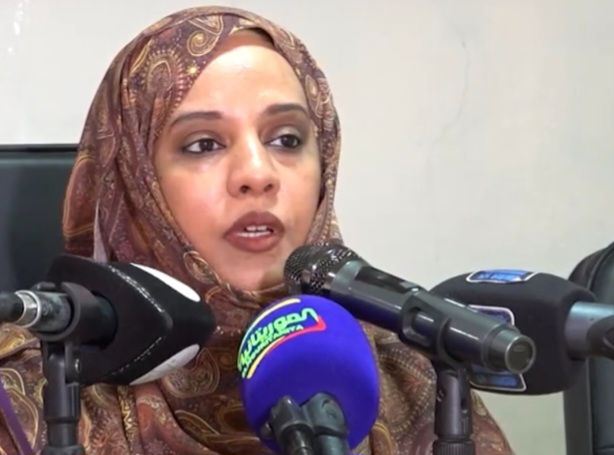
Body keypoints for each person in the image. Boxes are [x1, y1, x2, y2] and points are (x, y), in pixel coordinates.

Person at [0, 6, 515, 455]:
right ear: (134, 185)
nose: (257, 173)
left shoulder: (415, 376)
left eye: (286, 139)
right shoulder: (35, 399)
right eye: (203, 144)